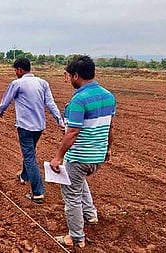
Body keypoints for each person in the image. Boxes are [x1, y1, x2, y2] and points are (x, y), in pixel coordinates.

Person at [50, 55, 116, 250]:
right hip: (97, 156)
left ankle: (76, 237)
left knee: (71, 197)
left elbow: (73, 132)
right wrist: (108, 149)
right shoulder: (108, 96)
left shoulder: (79, 100)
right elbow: (110, 128)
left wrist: (58, 156)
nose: (69, 79)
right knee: (80, 181)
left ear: (76, 76)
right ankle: (91, 214)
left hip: (79, 157)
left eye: (69, 76)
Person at [0, 57, 64, 204]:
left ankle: (38, 192)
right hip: (39, 126)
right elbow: (50, 103)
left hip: (25, 126)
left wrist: (0, 112)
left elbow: (6, 100)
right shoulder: (43, 83)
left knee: (29, 156)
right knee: (30, 151)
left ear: (20, 70)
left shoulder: (17, 83)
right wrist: (59, 120)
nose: (15, 73)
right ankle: (24, 176)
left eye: (16, 70)